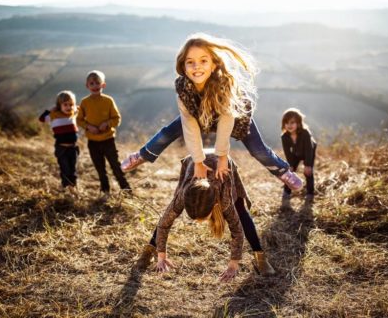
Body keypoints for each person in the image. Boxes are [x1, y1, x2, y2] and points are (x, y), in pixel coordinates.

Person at [121, 33, 303, 191]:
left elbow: (226, 122)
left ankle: (283, 172)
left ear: (214, 64)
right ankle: (142, 155)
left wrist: (222, 157)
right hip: (200, 116)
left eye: (203, 61)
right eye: (190, 62)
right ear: (183, 66)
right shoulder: (184, 91)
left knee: (258, 150)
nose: (196, 67)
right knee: (168, 132)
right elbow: (190, 127)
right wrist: (198, 162)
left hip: (234, 116)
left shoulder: (225, 87)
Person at [135, 154, 276, 281]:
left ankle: (260, 257)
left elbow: (236, 231)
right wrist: (162, 256)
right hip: (195, 160)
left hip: (223, 165)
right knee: (169, 213)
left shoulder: (224, 199)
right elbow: (165, 223)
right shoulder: (184, 195)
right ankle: (149, 250)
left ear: (215, 205)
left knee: (241, 212)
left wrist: (233, 264)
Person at [76, 70, 131, 196]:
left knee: (115, 166)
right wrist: (88, 126)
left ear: (103, 85)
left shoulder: (108, 101)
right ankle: (105, 191)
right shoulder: (85, 102)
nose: (95, 86)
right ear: (87, 86)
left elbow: (117, 119)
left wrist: (107, 123)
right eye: (92, 83)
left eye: (97, 83)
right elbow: (79, 120)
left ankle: (126, 189)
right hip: (93, 142)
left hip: (108, 140)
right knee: (100, 168)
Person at [39, 90, 79, 194]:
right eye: (65, 104)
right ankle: (65, 188)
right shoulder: (54, 115)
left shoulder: (74, 113)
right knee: (65, 169)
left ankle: (73, 188)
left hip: (73, 148)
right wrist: (49, 110)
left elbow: (84, 110)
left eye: (71, 104)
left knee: (73, 169)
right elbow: (42, 119)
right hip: (61, 149)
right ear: (59, 105)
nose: (68, 107)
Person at [280, 108, 317, 199]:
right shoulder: (284, 137)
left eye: (292, 122)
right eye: (287, 123)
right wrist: (291, 165)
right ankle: (287, 192)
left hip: (308, 152)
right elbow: (287, 152)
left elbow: (309, 149)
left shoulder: (305, 133)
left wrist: (308, 164)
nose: (289, 125)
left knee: (308, 172)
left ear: (299, 123)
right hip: (295, 153)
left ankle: (310, 193)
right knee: (290, 171)